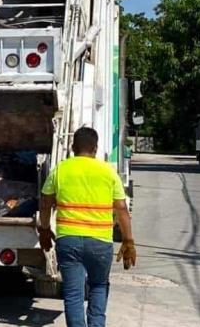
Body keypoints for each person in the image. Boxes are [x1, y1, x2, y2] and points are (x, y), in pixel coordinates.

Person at [38, 127, 136, 327]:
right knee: (99, 286)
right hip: (100, 243)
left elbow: (46, 202)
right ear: (96, 148)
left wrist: (45, 229)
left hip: (68, 240)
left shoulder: (61, 169)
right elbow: (122, 209)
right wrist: (128, 240)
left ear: (73, 147)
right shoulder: (108, 171)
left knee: (73, 294)